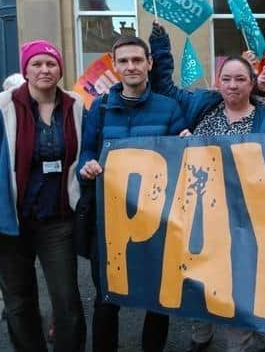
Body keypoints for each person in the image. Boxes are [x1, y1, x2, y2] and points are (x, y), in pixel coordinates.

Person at [149, 22, 265, 352]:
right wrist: (160, 43)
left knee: (239, 289)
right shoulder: (201, 105)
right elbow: (164, 84)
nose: (233, 85)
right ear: (217, 82)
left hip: (245, 221)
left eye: (241, 79)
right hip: (200, 216)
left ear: (253, 84)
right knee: (200, 280)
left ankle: (243, 344)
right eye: (227, 78)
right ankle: (201, 334)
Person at [0, 40, 86, 352]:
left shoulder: (75, 107)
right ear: (26, 70)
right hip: (10, 223)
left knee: (67, 302)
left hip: (57, 222)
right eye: (37, 64)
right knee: (19, 303)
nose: (45, 69)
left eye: (51, 63)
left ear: (60, 69)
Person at [78, 33, 187, 352]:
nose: (131, 66)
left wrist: (185, 143)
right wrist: (86, 167)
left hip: (157, 221)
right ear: (115, 65)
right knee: (107, 298)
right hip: (109, 221)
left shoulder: (169, 107)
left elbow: (181, 159)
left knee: (158, 298)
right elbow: (86, 153)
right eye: (123, 61)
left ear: (150, 64)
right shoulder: (99, 108)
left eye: (137, 60)